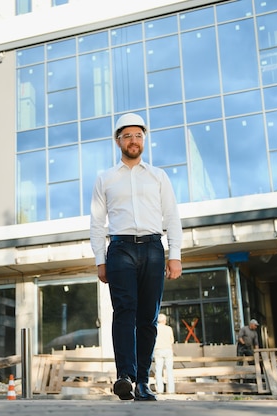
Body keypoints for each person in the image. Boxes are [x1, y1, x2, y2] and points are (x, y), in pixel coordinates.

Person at [90, 113, 183, 401]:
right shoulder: (105, 178)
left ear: (144, 140)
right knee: (124, 311)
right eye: (127, 136)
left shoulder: (158, 176)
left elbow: (172, 216)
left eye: (138, 135)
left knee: (148, 318)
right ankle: (125, 377)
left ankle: (143, 381)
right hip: (120, 249)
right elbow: (96, 222)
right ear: (118, 141)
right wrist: (100, 259)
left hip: (154, 249)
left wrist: (175, 254)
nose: (133, 140)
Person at [154, 313, 175, 394]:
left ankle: (160, 389)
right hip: (168, 350)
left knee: (158, 371)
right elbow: (172, 340)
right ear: (164, 321)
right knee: (169, 370)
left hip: (158, 350)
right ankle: (171, 390)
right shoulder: (168, 329)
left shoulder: (155, 328)